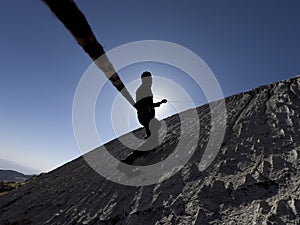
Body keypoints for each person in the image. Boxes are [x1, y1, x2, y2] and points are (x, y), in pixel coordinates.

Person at [134, 71, 167, 139]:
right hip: (145, 117)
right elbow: (141, 105)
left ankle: (150, 139)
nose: (151, 81)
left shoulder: (148, 89)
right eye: (148, 79)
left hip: (149, 117)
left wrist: (161, 102)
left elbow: (150, 104)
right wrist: (146, 108)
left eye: (151, 78)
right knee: (155, 126)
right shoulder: (141, 90)